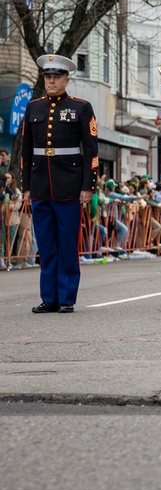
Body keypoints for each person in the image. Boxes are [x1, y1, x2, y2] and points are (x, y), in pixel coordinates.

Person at [21, 54, 99, 313]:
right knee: (46, 245)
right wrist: (27, 187)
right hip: (41, 185)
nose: (51, 81)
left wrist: (88, 186)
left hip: (69, 185)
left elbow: (91, 150)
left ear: (66, 80)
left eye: (56, 77)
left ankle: (66, 298)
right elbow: (26, 150)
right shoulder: (34, 107)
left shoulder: (81, 107)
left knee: (67, 244)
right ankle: (49, 298)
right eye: (48, 77)